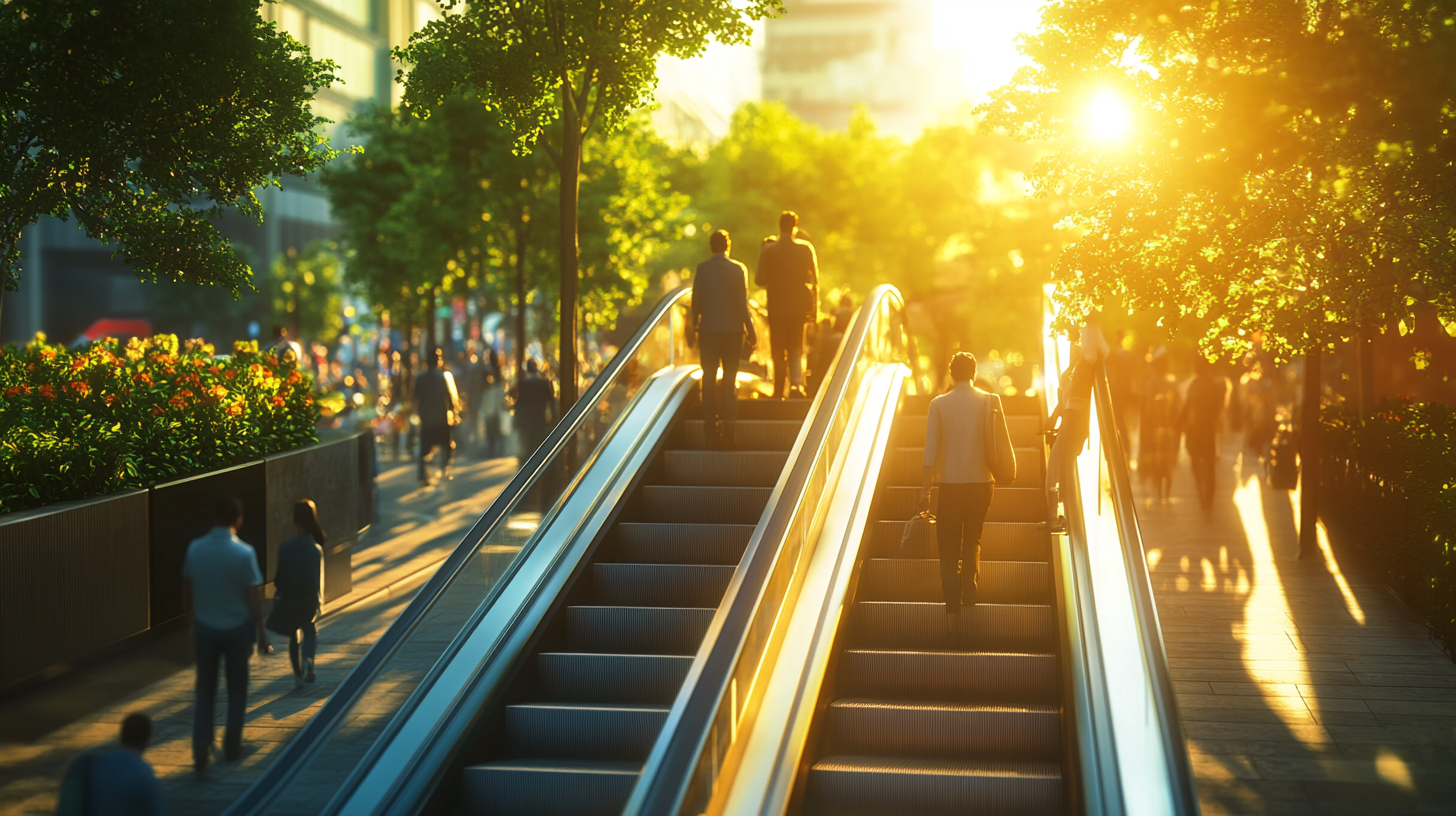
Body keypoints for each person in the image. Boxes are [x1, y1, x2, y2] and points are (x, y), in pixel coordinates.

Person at [919, 353, 1013, 642]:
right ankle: (970, 594)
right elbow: (1002, 442)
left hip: (949, 486)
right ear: (974, 372)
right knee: (972, 539)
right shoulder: (990, 401)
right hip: (982, 484)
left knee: (948, 550)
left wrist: (925, 491)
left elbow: (930, 452)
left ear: (950, 373)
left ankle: (951, 618)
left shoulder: (938, 404)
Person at [183, 497, 269, 776]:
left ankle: (200, 746)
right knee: (237, 690)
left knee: (205, 691)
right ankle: (232, 746)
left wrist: (191, 621)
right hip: (236, 629)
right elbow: (252, 598)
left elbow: (188, 590)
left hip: (205, 629)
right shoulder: (244, 553)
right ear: (238, 520)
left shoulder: (196, 549)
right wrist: (262, 632)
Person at [690, 230, 757, 449]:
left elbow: (696, 301)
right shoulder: (738, 269)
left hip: (708, 331)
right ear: (728, 246)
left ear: (711, 246)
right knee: (729, 381)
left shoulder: (702, 269)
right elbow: (742, 304)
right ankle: (729, 433)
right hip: (732, 332)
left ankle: (710, 433)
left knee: (708, 380)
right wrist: (751, 330)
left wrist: (694, 326)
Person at [1043, 330, 1106, 533]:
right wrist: (1054, 417)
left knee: (1060, 468)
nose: (1071, 345)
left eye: (1076, 341)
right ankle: (1058, 516)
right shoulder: (1072, 368)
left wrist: (1066, 421)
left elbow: (1077, 401)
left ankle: (1059, 517)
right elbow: (1065, 399)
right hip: (1068, 422)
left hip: (1075, 423)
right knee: (1057, 467)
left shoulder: (1084, 367)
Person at [755, 211, 819, 399]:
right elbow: (814, 280)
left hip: (776, 306)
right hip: (799, 307)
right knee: (796, 346)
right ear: (795, 227)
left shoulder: (769, 251)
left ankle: (778, 388)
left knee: (777, 348)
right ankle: (796, 386)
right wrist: (815, 308)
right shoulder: (805, 249)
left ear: (779, 226)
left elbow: (760, 279)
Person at [267, 499, 327, 691]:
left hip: (290, 599)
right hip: (309, 599)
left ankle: (297, 676)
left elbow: (279, 579)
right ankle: (309, 661)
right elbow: (318, 579)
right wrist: (318, 602)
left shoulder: (286, 547)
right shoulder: (315, 550)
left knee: (294, 636)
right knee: (310, 631)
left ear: (294, 520)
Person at [55, 713, 162, 816]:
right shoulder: (144, 775)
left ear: (122, 735)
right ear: (147, 737)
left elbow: (66, 807)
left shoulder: (85, 762)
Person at [1183, 359, 1230, 515]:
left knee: (1196, 462)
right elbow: (1220, 407)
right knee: (1209, 465)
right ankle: (1208, 497)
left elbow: (1187, 406)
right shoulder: (1217, 385)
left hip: (1196, 429)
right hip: (1208, 430)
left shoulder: (1195, 385)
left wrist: (1178, 423)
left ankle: (1202, 492)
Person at [413, 348, 462, 486]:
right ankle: (445, 469)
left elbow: (414, 399)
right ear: (437, 361)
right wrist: (454, 412)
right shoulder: (442, 377)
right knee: (446, 446)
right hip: (441, 418)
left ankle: (422, 476)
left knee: (424, 449)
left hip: (426, 419)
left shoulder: (420, 378)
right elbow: (449, 398)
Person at [1139, 349, 1180, 504]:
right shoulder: (1171, 382)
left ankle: (1159, 493)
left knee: (1157, 462)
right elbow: (1177, 406)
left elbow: (1146, 409)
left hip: (1154, 428)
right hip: (1168, 428)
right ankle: (1166, 495)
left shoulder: (1150, 383)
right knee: (1167, 463)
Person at [513, 359, 555, 459]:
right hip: (540, 418)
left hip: (527, 420)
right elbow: (551, 401)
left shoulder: (523, 384)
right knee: (539, 443)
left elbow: (520, 403)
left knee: (529, 445)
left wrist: (517, 419)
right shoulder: (545, 383)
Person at [481, 347, 506, 458]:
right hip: (496, 402)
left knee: (490, 429)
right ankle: (500, 449)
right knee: (497, 428)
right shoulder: (498, 370)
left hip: (489, 402)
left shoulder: (487, 370)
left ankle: (491, 450)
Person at [463, 349, 491, 448]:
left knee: (475, 419)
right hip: (479, 398)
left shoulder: (473, 370)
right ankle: (478, 440)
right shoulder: (482, 370)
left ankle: (477, 439)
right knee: (477, 419)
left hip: (477, 398)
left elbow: (468, 384)